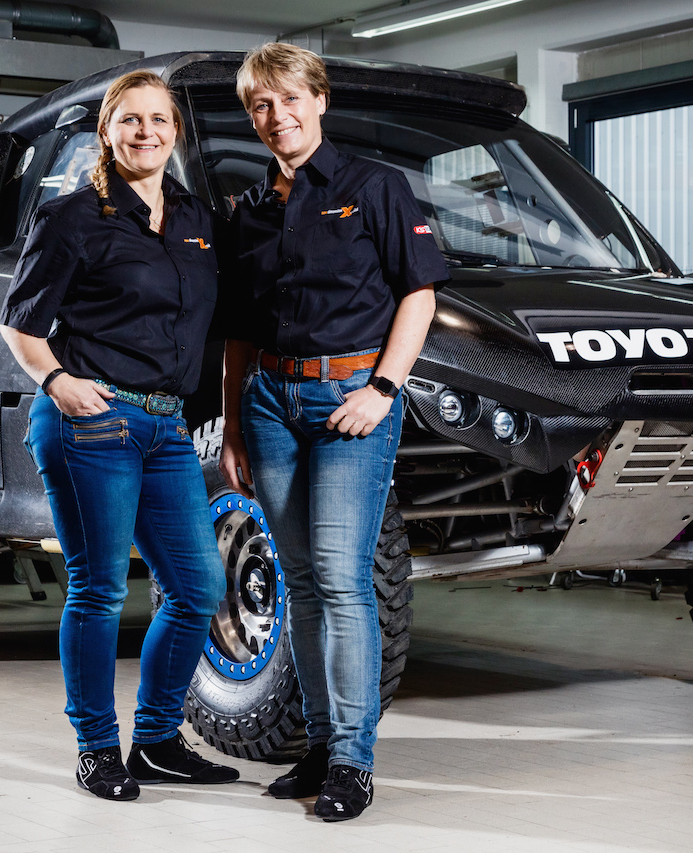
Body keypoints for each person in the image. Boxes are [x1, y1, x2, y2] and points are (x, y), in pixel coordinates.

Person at [219, 43, 448, 822]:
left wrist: (384, 388)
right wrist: (233, 426)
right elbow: (239, 328)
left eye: (289, 99)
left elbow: (420, 293)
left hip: (351, 399)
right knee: (301, 580)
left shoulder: (373, 188)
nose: (276, 115)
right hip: (268, 404)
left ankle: (353, 759)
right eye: (261, 104)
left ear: (319, 100)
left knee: (343, 579)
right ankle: (319, 746)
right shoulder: (250, 210)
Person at [0, 70, 237, 801]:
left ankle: (157, 741)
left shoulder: (197, 219)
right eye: (130, 119)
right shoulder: (73, 218)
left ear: (176, 131)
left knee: (198, 588)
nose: (146, 132)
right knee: (100, 588)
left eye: (158, 119)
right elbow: (19, 323)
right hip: (92, 419)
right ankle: (98, 748)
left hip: (166, 425)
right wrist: (56, 381)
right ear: (106, 131)